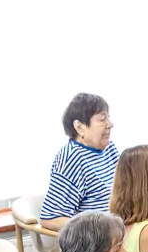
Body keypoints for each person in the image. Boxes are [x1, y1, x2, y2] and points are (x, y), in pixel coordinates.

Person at [39, 92, 120, 231]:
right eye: (102, 119)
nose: (110, 125)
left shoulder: (109, 149)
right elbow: (50, 218)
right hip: (100, 239)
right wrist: (98, 230)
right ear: (79, 127)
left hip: (121, 229)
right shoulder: (71, 158)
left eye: (108, 118)